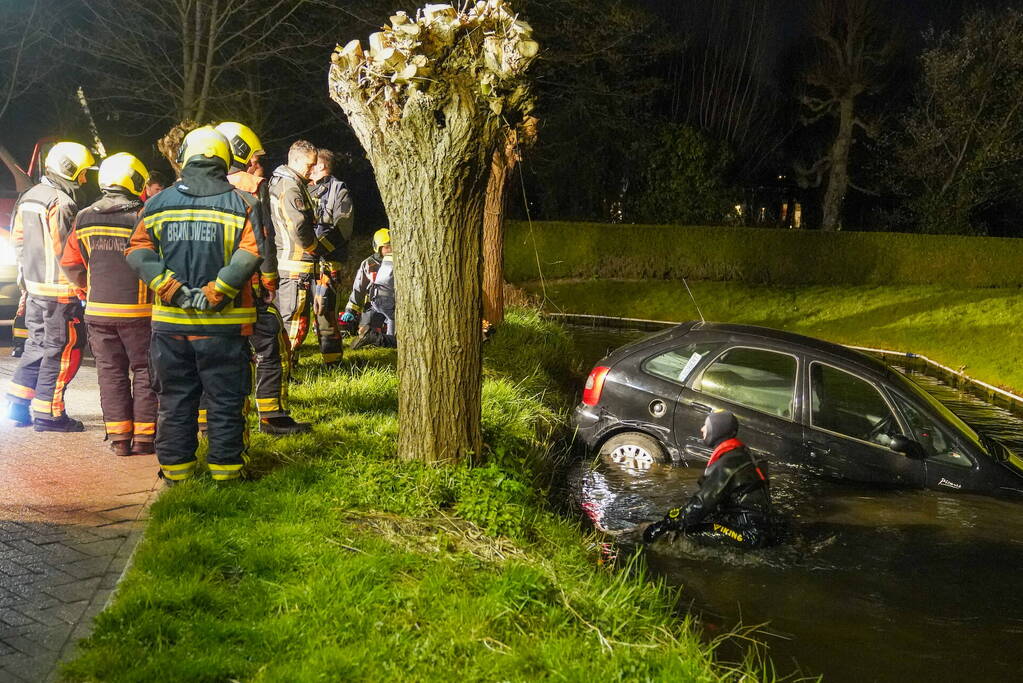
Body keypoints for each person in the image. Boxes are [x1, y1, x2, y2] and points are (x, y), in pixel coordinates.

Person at [126, 126, 262, 485]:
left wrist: (170, 287)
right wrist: (216, 291)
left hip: (171, 327)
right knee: (225, 400)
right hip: (224, 328)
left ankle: (176, 473)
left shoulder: (156, 204)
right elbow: (251, 253)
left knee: (174, 400)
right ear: (224, 159)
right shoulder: (244, 204)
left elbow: (138, 250)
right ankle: (226, 472)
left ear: (185, 157)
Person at [215, 121, 310, 436]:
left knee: (216, 358)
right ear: (239, 151)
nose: (258, 165)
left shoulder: (193, 187)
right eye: (254, 158)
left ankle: (210, 423)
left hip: (209, 289)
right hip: (249, 286)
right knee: (272, 344)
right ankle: (272, 416)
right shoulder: (252, 185)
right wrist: (269, 282)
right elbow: (263, 237)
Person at [60, 152, 157, 456]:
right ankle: (144, 438)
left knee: (110, 372)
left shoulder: (84, 217)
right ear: (136, 180)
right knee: (145, 371)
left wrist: (87, 287)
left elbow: (71, 262)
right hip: (140, 311)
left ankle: (118, 439)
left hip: (98, 311)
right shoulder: (143, 216)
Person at [6, 141, 94, 431]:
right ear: (68, 169)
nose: (83, 180)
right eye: (81, 173)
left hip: (34, 289)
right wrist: (82, 287)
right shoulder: (62, 202)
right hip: (60, 293)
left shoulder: (30, 196)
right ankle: (50, 414)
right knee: (62, 351)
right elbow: (66, 251)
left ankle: (19, 405)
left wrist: (26, 283)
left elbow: (18, 241)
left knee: (36, 345)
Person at [643, 410, 772, 549]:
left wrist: (665, 524)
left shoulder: (728, 464)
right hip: (760, 528)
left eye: (706, 425)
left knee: (684, 533)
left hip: (749, 535)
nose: (702, 429)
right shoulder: (743, 454)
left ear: (717, 430)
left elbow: (701, 504)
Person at [269, 140, 344, 366]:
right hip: (296, 266)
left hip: (291, 264)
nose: (313, 170)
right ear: (297, 161)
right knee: (293, 323)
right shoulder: (291, 187)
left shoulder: (282, 182)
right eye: (310, 165)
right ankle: (282, 372)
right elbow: (299, 226)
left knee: (294, 321)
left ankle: (287, 368)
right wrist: (315, 249)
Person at [308, 148, 354, 342]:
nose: (308, 167)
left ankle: (332, 362)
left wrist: (318, 248)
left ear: (321, 165)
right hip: (304, 262)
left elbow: (344, 226)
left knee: (325, 312)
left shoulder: (338, 189)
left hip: (328, 261)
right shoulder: (302, 188)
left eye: (312, 163)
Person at [343, 228, 396, 350]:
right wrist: (351, 310)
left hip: (394, 305)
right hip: (373, 304)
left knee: (393, 334)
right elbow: (358, 288)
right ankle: (374, 336)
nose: (390, 250)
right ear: (378, 248)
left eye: (392, 246)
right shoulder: (368, 264)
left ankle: (386, 339)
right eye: (386, 247)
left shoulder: (399, 262)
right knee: (363, 331)